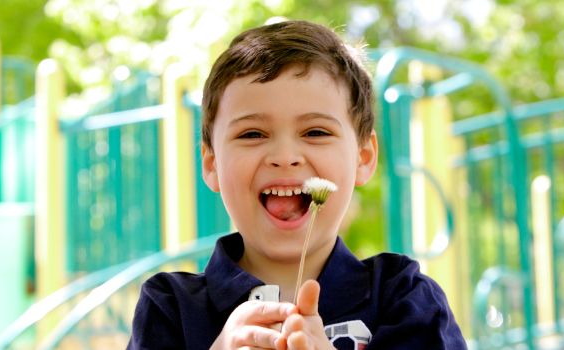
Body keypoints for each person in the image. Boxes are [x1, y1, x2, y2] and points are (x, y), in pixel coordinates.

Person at [128, 20, 466, 350]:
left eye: (315, 132)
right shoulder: (169, 307)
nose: (285, 156)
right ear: (211, 163)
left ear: (363, 157)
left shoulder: (406, 297)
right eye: (252, 134)